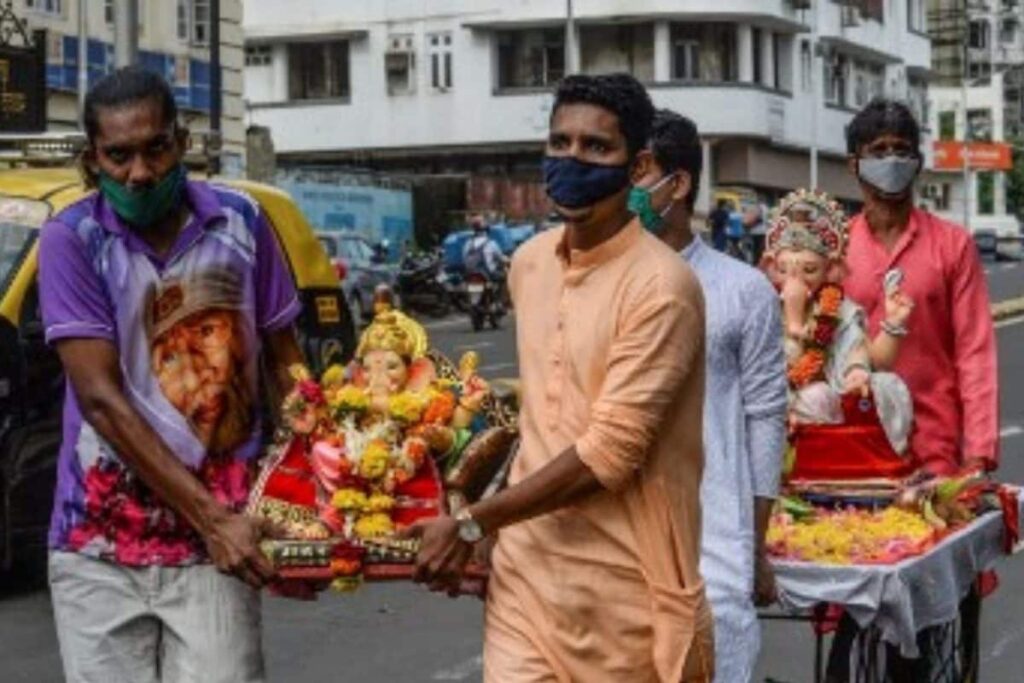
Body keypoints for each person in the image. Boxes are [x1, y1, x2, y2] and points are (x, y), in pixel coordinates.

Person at [403, 74, 714, 681]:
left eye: (597, 148)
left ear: (638, 164)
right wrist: (492, 533)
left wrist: (473, 523)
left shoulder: (662, 287)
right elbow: (541, 420)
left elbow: (609, 454)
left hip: (625, 606)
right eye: (560, 142)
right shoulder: (528, 263)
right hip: (523, 586)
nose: (573, 160)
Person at [38, 67, 303, 682]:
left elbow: (287, 368)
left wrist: (311, 495)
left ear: (181, 143)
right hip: (98, 546)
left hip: (219, 549)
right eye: (120, 156)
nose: (141, 172)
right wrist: (212, 518)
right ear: (92, 160)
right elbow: (100, 399)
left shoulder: (245, 225)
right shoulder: (72, 240)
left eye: (156, 148)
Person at [828, 97, 998, 680]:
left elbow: (974, 350)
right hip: (853, 458)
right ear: (855, 165)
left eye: (903, 150)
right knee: (853, 606)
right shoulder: (835, 250)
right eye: (879, 152)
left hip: (936, 455)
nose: (892, 161)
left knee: (932, 621)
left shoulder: (952, 246)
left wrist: (977, 457)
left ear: (919, 161)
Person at [631, 109, 787, 682]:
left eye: (638, 174)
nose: (624, 189)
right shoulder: (591, 286)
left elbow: (766, 418)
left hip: (712, 542)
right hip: (611, 544)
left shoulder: (743, 291)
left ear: (679, 184)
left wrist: (756, 545)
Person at [462, 213, 508, 279]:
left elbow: (464, 259)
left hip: (470, 274)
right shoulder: (491, 243)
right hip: (489, 274)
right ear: (487, 229)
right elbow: (501, 258)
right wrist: (507, 260)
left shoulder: (468, 243)